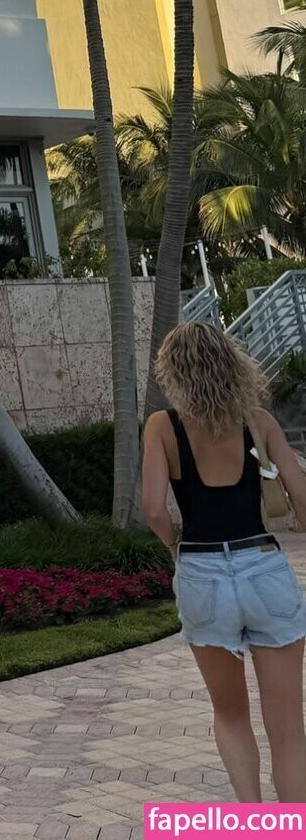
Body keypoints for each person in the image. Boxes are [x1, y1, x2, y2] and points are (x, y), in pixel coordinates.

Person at [143, 322, 306, 802]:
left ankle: (254, 824)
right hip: (263, 568)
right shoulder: (258, 421)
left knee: (231, 715)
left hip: (202, 573)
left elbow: (154, 510)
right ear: (232, 363)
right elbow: (301, 497)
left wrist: (176, 545)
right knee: (287, 729)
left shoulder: (163, 427)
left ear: (173, 372)